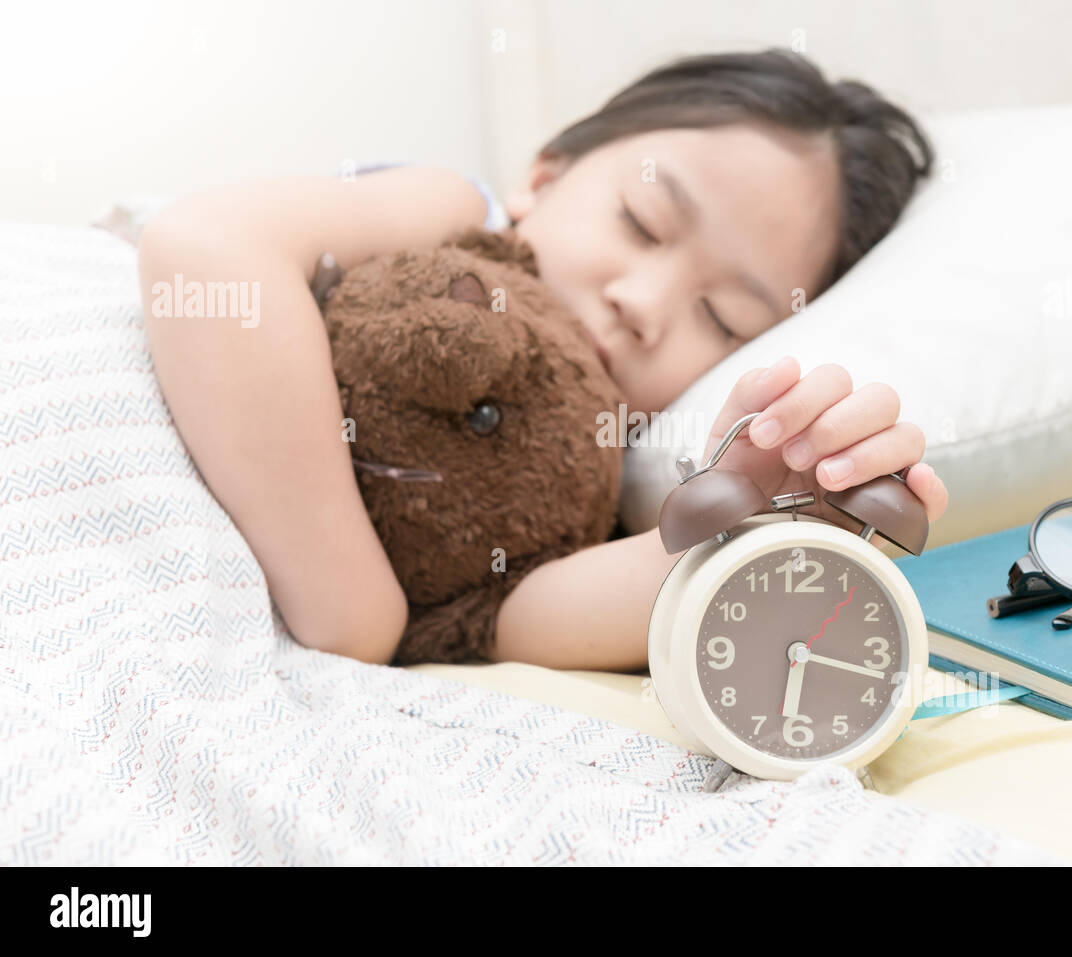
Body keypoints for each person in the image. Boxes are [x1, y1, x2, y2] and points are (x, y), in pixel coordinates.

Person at [137, 49, 948, 670]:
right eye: (641, 220)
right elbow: (204, 252)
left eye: (720, 317)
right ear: (543, 176)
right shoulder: (456, 216)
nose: (645, 303)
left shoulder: (595, 466)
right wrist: (352, 611)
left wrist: (758, 515)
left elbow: (512, 618)